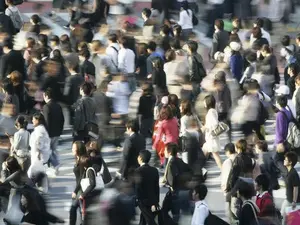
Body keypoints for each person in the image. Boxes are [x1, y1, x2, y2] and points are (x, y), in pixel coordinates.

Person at [43, 88, 64, 174]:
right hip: (57, 132)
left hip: (49, 133)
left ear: (47, 96)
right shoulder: (58, 105)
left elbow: (46, 121)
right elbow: (62, 119)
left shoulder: (46, 107)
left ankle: (55, 165)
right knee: (54, 149)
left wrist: (45, 133)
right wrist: (60, 130)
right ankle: (55, 166)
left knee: (48, 150)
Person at [135, 150, 160, 225]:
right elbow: (156, 186)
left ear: (140, 158)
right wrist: (156, 200)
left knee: (149, 219)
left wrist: (136, 199)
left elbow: (137, 187)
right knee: (144, 218)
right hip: (152, 199)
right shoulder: (154, 170)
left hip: (142, 200)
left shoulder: (138, 171)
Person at [202, 95, 222, 169]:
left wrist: (206, 127)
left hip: (211, 137)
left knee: (215, 155)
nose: (203, 103)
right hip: (210, 138)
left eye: (204, 101)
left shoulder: (211, 112)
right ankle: (199, 170)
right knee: (205, 153)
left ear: (208, 102)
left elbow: (214, 124)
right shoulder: (212, 111)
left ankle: (223, 170)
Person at [70, 141, 87, 225]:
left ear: (78, 149)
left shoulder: (82, 160)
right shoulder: (77, 159)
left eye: (74, 148)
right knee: (74, 210)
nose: (72, 149)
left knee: (80, 212)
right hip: (78, 188)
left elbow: (81, 178)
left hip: (81, 189)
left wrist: (75, 191)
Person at [281, 152, 300, 225]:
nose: (284, 160)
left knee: (285, 216)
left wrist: (294, 201)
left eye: (286, 160)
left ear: (290, 162)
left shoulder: (293, 173)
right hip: (288, 198)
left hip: (291, 200)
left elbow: (296, 188)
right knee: (284, 216)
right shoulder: (289, 171)